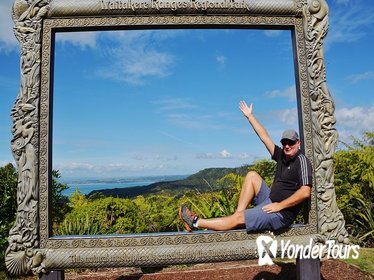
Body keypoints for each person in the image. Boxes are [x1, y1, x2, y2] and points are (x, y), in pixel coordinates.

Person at [179, 101, 312, 232]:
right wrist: (250, 116)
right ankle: (238, 217)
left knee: (238, 217)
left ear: (298, 143)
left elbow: (305, 192)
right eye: (284, 142)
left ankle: (195, 222)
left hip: (281, 214)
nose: (287, 146)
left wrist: (279, 206)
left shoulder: (302, 161)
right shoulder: (281, 155)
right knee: (252, 175)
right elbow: (264, 137)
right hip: (270, 200)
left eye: (291, 142)